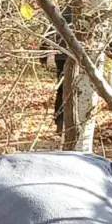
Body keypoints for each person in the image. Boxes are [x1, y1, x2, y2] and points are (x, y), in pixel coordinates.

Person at [39, 7, 72, 135]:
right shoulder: (87, 10)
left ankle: (61, 122)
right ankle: (61, 122)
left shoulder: (63, 12)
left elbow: (48, 33)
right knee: (66, 90)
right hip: (68, 57)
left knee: (63, 90)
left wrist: (43, 54)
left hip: (63, 57)